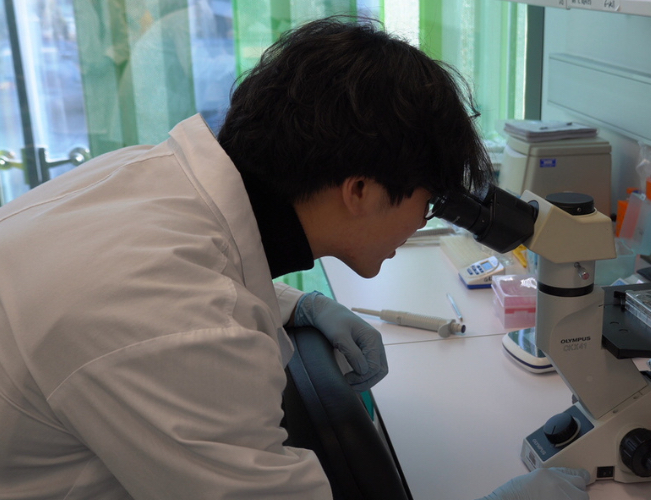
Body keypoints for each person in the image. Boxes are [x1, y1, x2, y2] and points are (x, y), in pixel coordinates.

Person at [0, 16, 589, 500]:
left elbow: (168, 273)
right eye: (427, 202)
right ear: (359, 191)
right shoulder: (171, 325)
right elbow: (160, 317)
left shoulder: (148, 175)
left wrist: (300, 303)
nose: (419, 222)